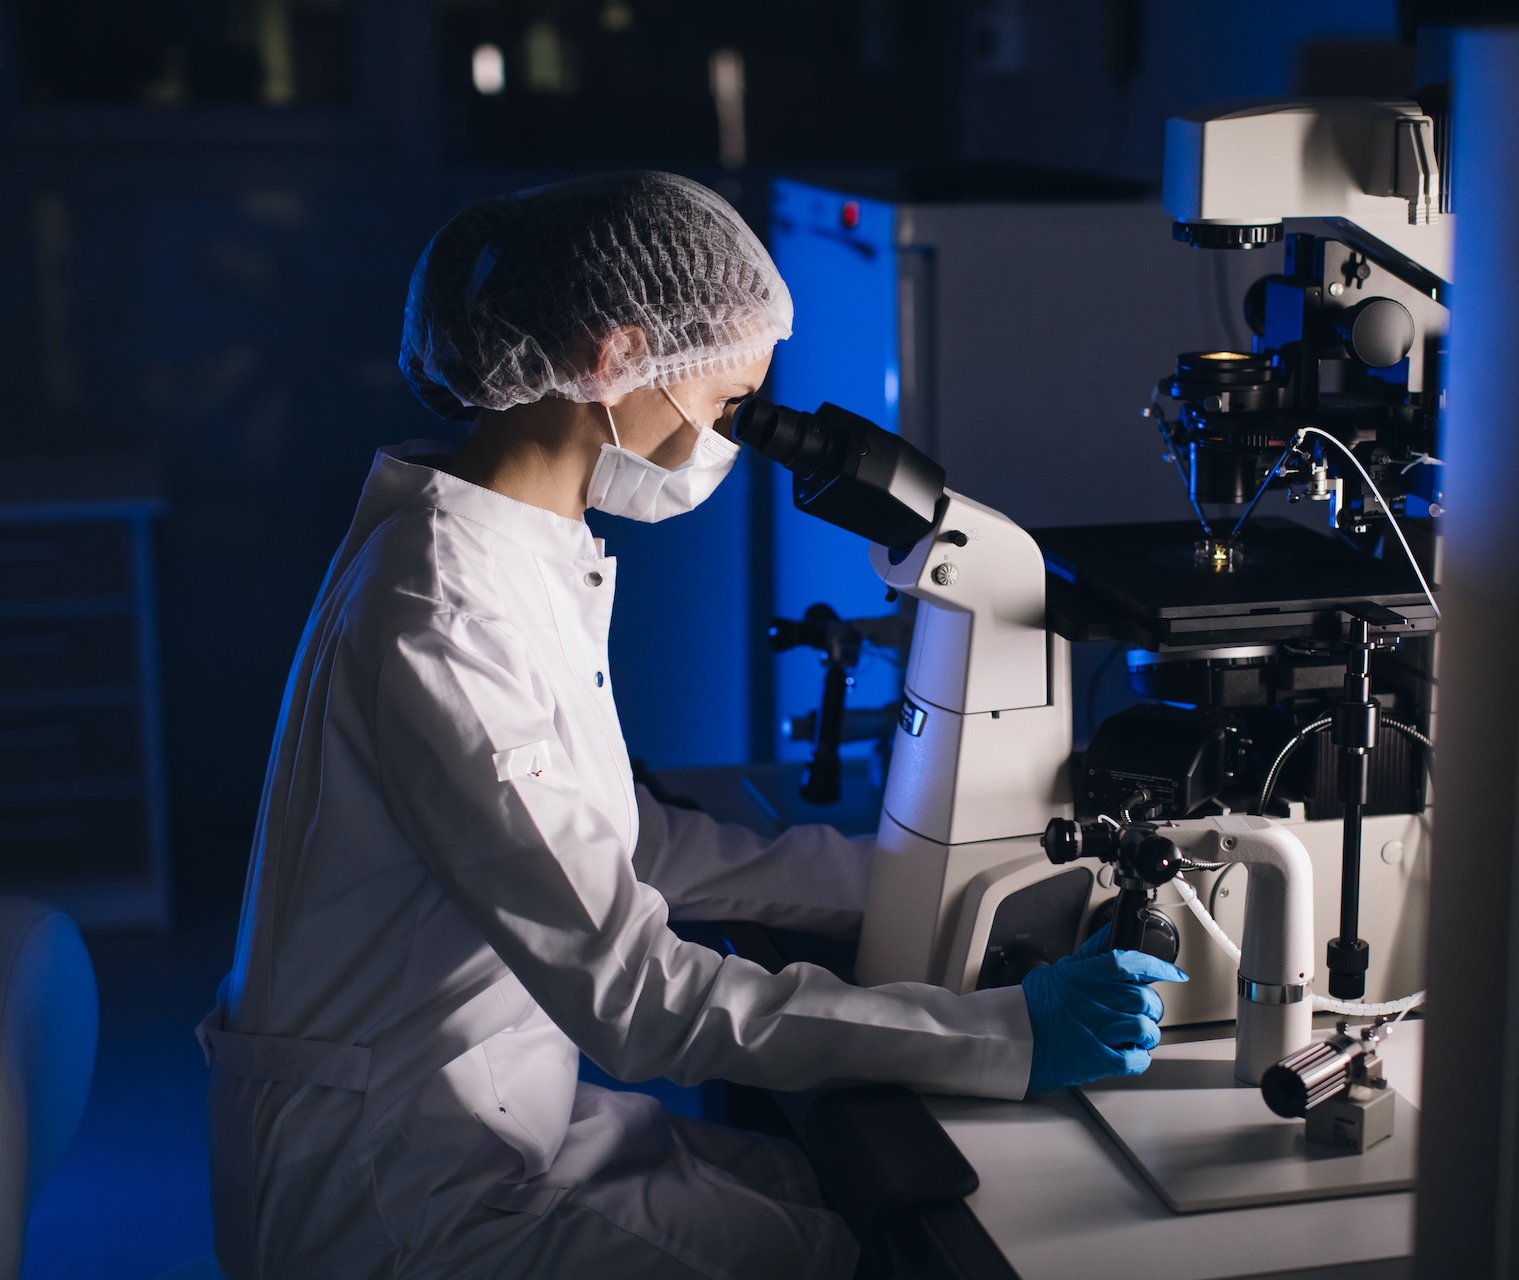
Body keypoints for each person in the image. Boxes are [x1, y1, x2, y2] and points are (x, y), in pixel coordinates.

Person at [198, 171, 1181, 1280]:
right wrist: (1011, 1036)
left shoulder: (509, 540)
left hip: (484, 1107)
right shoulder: (449, 609)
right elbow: (631, 991)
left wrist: (908, 878)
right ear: (619, 358)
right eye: (730, 409)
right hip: (389, 1191)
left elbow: (616, 846)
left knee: (835, 1206)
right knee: (857, 1252)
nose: (735, 436)